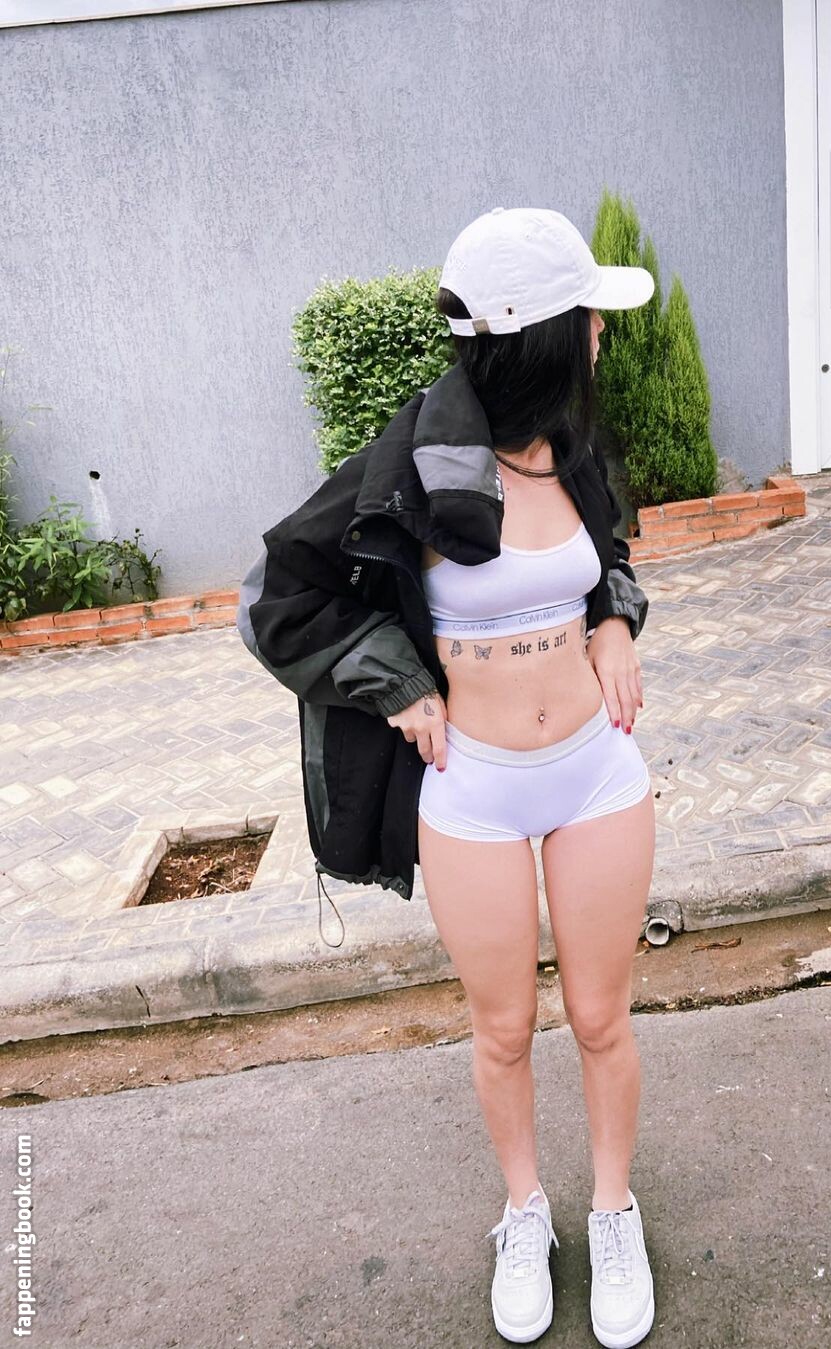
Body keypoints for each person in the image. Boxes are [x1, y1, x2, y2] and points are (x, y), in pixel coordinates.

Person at [238, 206, 657, 1347]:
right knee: (505, 1028)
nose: (601, 336)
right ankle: (525, 1212)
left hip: (595, 772)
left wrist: (615, 620)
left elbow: (610, 556)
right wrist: (398, 683)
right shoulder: (417, 458)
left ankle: (612, 1209)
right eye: (587, 318)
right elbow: (278, 591)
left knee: (601, 1016)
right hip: (471, 787)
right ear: (542, 335)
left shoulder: (575, 445)